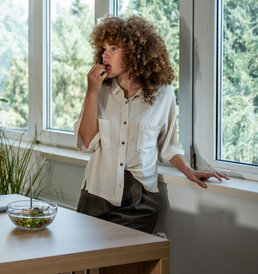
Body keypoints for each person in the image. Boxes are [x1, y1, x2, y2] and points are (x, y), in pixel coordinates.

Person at [74, 15, 229, 233]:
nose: (104, 54)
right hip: (97, 193)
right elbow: (86, 142)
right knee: (88, 265)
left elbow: (168, 144)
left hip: (140, 201)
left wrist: (188, 170)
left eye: (114, 47)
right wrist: (91, 92)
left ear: (134, 52)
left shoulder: (163, 94)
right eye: (103, 47)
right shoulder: (99, 90)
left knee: (126, 266)